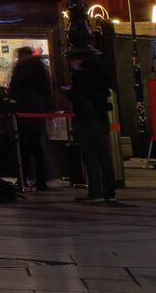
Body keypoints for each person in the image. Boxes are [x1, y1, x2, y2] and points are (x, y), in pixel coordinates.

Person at [63, 46, 117, 203]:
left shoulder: (80, 75)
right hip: (101, 117)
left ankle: (96, 192)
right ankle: (109, 191)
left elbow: (77, 95)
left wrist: (67, 92)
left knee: (91, 156)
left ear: (76, 59)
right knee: (104, 156)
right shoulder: (101, 72)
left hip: (87, 119)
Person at [8, 46, 55, 191]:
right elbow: (47, 90)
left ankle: (25, 177)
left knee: (25, 147)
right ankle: (40, 179)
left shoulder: (21, 69)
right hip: (37, 111)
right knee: (37, 146)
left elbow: (14, 89)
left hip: (25, 111)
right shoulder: (39, 68)